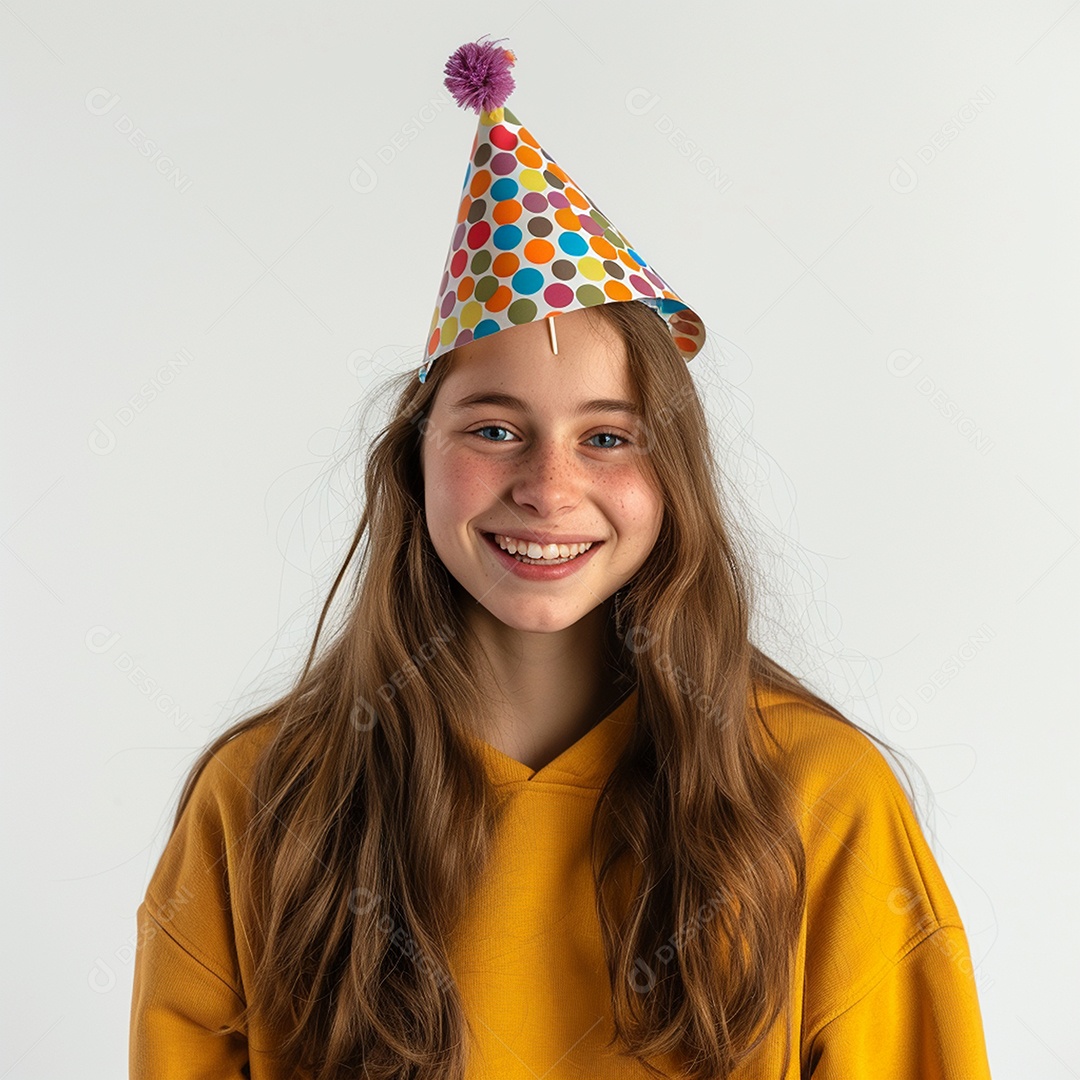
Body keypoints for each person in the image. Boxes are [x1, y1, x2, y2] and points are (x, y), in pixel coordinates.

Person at [129, 38, 993, 1080]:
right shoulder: (265, 801)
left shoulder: (823, 800)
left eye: (608, 436)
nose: (547, 486)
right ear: (414, 460)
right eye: (494, 430)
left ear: (672, 475)